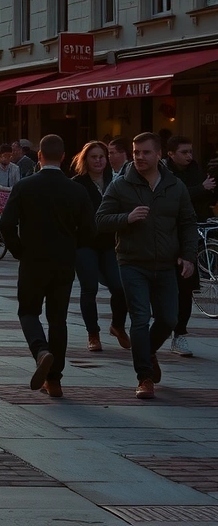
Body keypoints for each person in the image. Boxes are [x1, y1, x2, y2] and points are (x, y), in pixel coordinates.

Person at [97, 132, 197, 399]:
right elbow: (101, 220)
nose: (139, 157)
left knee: (168, 318)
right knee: (140, 318)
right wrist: (126, 218)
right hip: (132, 262)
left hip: (166, 265)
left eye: (146, 152)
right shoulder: (120, 186)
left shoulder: (175, 186)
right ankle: (145, 377)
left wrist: (189, 256)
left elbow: (188, 223)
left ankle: (148, 351)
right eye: (136, 152)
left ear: (159, 155)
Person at [0, 135, 96, 399]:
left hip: (33, 260)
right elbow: (89, 229)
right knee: (58, 319)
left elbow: (5, 225)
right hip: (63, 262)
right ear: (64, 157)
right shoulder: (77, 190)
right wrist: (72, 248)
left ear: (39, 156)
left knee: (28, 311)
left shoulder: (26, 186)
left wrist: (20, 251)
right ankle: (55, 381)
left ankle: (41, 351)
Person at [70, 141, 129, 352]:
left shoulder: (116, 182)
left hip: (111, 244)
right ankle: (93, 334)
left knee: (119, 287)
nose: (98, 160)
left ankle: (117, 325)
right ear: (85, 159)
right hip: (85, 244)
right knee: (89, 289)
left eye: (102, 156)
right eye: (93, 157)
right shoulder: (77, 184)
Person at [164, 135, 217, 357]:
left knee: (186, 288)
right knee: (166, 290)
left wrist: (211, 186)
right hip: (168, 238)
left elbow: (207, 197)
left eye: (190, 152)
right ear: (171, 154)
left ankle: (180, 335)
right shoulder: (165, 173)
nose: (189, 156)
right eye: (184, 152)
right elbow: (176, 196)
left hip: (191, 236)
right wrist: (201, 188)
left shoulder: (196, 170)